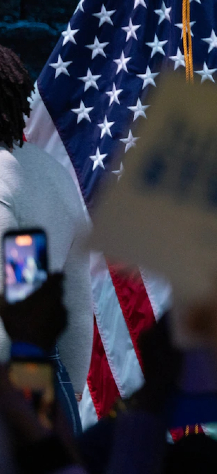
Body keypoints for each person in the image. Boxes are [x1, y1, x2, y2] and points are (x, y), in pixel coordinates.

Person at [0, 45, 91, 428]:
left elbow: (14, 301)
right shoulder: (52, 172)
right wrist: (72, 385)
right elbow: (77, 296)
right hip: (46, 377)